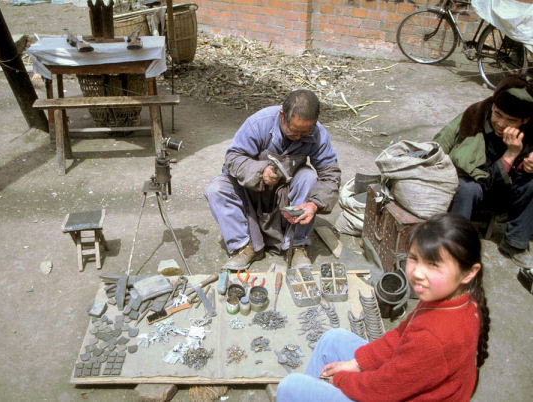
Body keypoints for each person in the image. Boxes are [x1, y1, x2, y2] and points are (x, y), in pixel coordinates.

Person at [277, 213, 490, 401]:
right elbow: (400, 336)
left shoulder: (434, 338)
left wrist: (340, 380)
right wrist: (357, 363)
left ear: (469, 273)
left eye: (433, 264)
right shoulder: (454, 298)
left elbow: (382, 390)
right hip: (396, 385)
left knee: (290, 387)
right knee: (333, 339)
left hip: (388, 394)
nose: (417, 273)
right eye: (414, 258)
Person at [204, 89, 341, 270]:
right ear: (282, 116)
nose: (298, 138)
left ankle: (297, 245)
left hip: (286, 196)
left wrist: (314, 204)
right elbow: (233, 159)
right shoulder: (258, 123)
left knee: (308, 177)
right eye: (293, 133)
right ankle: (244, 246)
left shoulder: (317, 133)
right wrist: (261, 172)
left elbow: (330, 174)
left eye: (304, 134)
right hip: (252, 191)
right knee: (216, 188)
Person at [433, 74, 533, 268]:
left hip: (508, 192)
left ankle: (515, 245)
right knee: (467, 187)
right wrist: (510, 155)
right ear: (492, 107)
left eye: (511, 120)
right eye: (497, 114)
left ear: (525, 120)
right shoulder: (474, 117)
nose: (501, 124)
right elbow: (437, 146)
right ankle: (454, 244)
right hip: (475, 187)